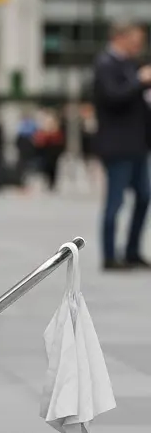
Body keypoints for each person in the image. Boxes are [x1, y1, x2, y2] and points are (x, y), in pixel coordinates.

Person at [91, 21, 151, 270]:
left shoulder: (130, 64)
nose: (139, 46)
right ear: (119, 37)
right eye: (135, 41)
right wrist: (140, 81)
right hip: (117, 146)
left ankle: (132, 251)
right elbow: (114, 97)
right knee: (115, 201)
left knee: (144, 196)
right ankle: (109, 255)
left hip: (138, 144)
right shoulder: (105, 64)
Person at [34, 109, 65, 192]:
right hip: (46, 151)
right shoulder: (44, 130)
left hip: (54, 151)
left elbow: (59, 140)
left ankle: (52, 183)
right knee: (46, 167)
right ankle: (47, 182)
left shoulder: (56, 130)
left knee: (53, 168)